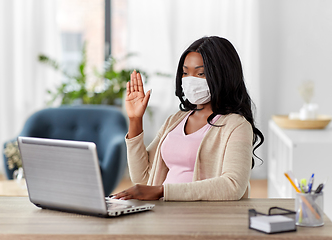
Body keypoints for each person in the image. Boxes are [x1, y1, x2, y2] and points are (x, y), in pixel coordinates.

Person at [112, 36, 264, 201]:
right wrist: (135, 120)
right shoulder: (175, 120)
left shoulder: (236, 125)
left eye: (200, 73)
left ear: (223, 75)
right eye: (185, 73)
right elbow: (142, 177)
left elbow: (233, 185)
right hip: (164, 215)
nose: (190, 80)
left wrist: (163, 191)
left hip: (201, 220)